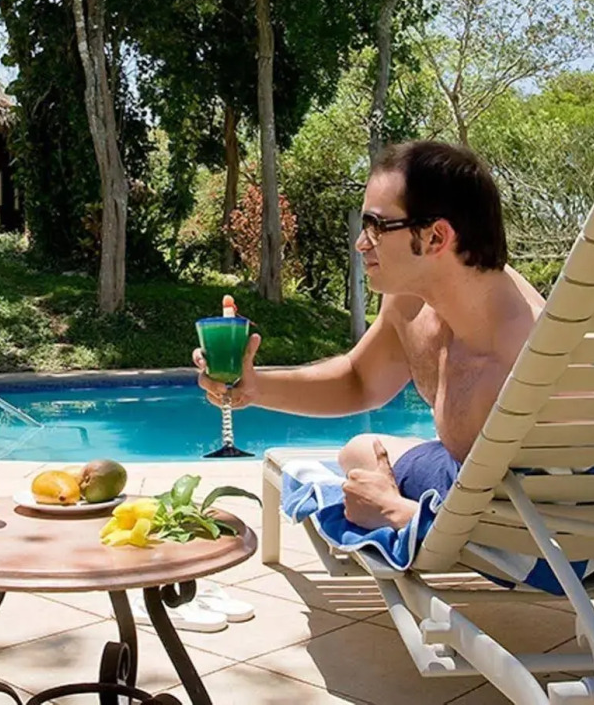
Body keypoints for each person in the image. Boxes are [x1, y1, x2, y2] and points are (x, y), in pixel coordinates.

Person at [194, 140, 544, 530]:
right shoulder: (411, 300)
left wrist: (399, 513)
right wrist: (255, 388)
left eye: (377, 227)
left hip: (533, 522)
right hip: (469, 480)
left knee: (364, 467)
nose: (361, 244)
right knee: (359, 451)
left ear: (435, 238)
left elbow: (572, 526)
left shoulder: (529, 358)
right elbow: (359, 380)